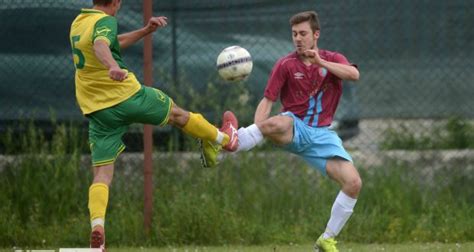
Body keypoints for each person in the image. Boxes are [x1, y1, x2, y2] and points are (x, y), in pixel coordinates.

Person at [69, 0, 238, 250]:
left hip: (98, 110)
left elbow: (108, 42)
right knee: (177, 115)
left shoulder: (79, 22)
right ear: (115, 2)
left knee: (102, 174)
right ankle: (226, 140)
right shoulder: (106, 21)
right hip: (126, 97)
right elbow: (101, 45)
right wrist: (113, 67)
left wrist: (145, 31)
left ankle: (98, 229)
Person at [235, 11, 362, 252]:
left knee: (353, 182)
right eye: (294, 34)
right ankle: (227, 143)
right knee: (280, 122)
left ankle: (326, 239)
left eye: (303, 33)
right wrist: (259, 131)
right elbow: (267, 100)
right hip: (295, 126)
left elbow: (354, 75)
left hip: (323, 135)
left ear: (316, 35)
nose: (298, 39)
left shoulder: (331, 58)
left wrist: (320, 63)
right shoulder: (285, 64)